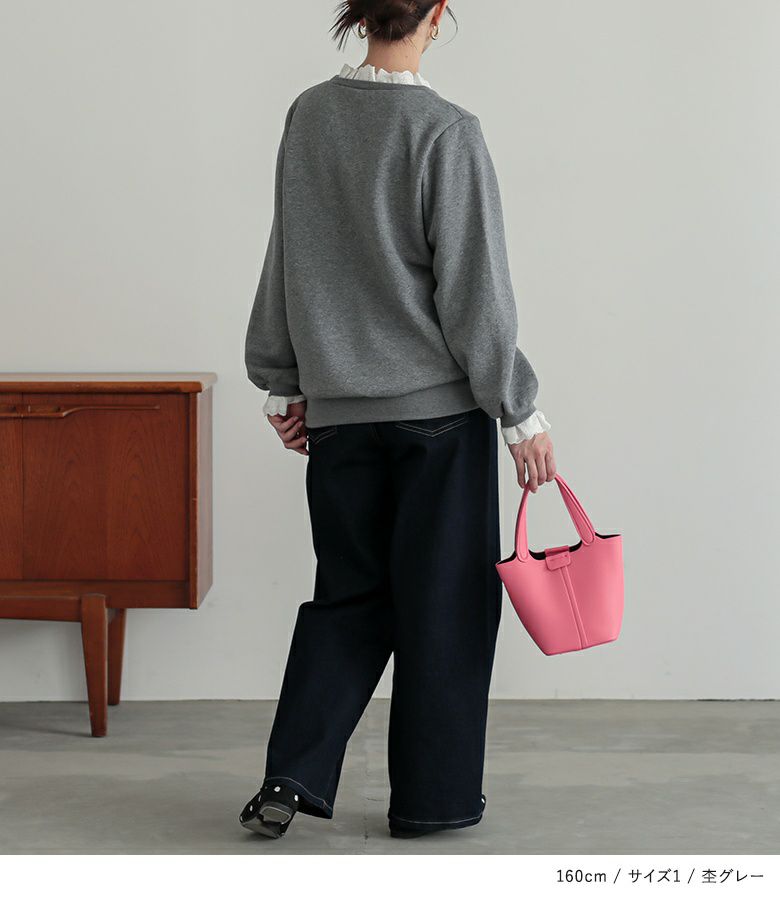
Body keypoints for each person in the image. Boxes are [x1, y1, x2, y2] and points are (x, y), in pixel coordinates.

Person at [240, 0, 556, 840]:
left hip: (340, 419)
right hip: (438, 419)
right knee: (444, 609)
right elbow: (475, 291)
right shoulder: (446, 131)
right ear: (438, 14)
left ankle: (291, 775)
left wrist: (282, 382)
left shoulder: (310, 115)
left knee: (348, 597)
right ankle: (433, 802)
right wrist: (520, 411)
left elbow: (287, 254)